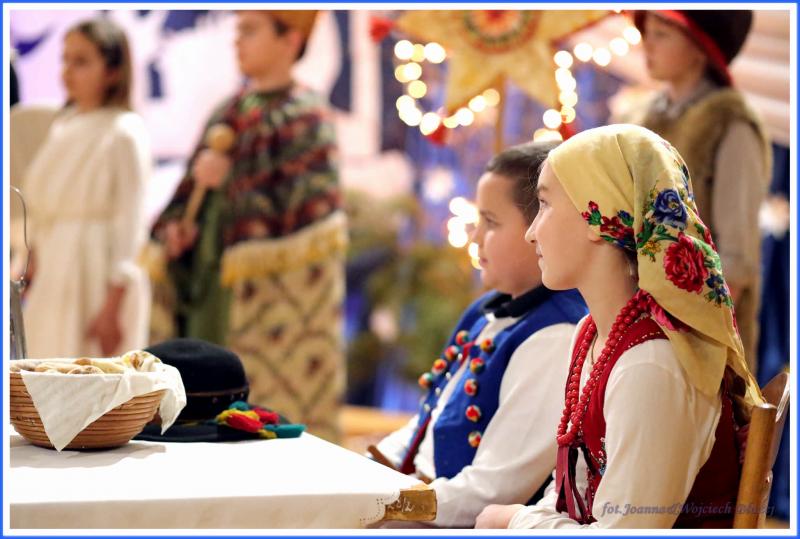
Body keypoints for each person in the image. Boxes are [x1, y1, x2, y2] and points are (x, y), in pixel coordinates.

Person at [475, 124, 762, 529]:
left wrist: (510, 521)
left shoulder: (651, 364)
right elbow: (570, 496)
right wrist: (521, 520)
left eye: (544, 205)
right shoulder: (593, 334)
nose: (531, 232)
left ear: (600, 216)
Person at [147, 11, 346, 442]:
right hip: (208, 284)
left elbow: (304, 212)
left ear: (290, 41)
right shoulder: (229, 110)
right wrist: (178, 231)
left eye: (251, 31)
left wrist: (230, 177)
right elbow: (190, 196)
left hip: (264, 301)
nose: (238, 41)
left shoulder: (308, 115)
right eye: (238, 31)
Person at [374, 141, 587, 527]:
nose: (475, 238)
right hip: (422, 496)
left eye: (491, 222)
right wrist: (372, 465)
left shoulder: (556, 335)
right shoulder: (486, 309)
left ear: (539, 230)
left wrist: (383, 503)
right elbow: (431, 418)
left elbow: (493, 490)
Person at [617, 10, 770, 376]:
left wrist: (688, 334)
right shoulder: (639, 120)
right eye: (646, 33)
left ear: (700, 48)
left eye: (662, 34)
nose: (646, 45)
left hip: (698, 341)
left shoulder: (731, 126)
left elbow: (736, 259)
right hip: (631, 321)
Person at [21, 19, 151, 359]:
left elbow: (131, 220)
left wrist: (112, 306)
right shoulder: (64, 126)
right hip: (55, 271)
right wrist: (32, 262)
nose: (67, 71)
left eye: (81, 62)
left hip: (96, 273)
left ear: (112, 71)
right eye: (65, 59)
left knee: (91, 374)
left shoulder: (124, 131)